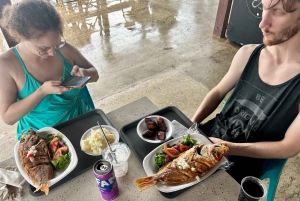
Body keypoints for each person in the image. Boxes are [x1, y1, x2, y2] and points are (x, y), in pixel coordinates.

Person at [192, 0, 300, 183]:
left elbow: (290, 146)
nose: (262, 23)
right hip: (208, 136)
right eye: (265, 8)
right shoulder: (248, 53)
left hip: (242, 162)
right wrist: (190, 125)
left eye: (278, 12)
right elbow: (218, 92)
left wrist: (228, 147)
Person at [0, 0, 99, 140]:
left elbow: (95, 74)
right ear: (21, 36)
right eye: (43, 49)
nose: (53, 53)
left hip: (80, 121)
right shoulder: (6, 64)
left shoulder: (65, 49)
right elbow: (8, 117)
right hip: (40, 135)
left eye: (56, 45)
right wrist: (42, 91)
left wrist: (85, 74)